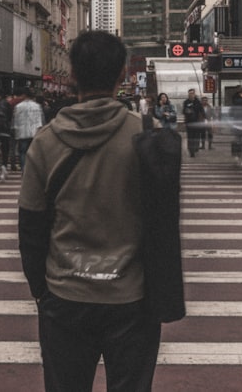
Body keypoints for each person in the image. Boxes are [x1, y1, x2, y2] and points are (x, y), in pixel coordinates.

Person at [18, 30, 161, 391]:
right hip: (132, 298)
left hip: (65, 298)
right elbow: (161, 223)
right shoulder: (147, 134)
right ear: (121, 75)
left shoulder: (45, 141)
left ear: (73, 76)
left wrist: (42, 290)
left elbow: (30, 228)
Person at [13, 90, 45, 177]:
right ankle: (33, 170)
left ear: (24, 95)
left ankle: (24, 170)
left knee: (23, 152)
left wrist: (16, 133)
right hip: (35, 132)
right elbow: (40, 120)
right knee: (34, 153)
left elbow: (16, 121)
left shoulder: (18, 106)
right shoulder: (37, 106)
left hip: (22, 132)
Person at [180, 88, 205, 158]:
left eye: (192, 93)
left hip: (197, 122)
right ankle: (191, 151)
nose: (191, 95)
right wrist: (187, 111)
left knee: (196, 136)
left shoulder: (198, 102)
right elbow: (184, 111)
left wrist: (204, 118)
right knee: (190, 137)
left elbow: (202, 111)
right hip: (189, 122)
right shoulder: (186, 102)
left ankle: (195, 147)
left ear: (194, 94)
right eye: (190, 93)